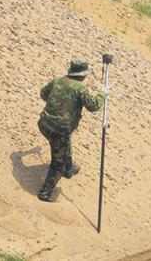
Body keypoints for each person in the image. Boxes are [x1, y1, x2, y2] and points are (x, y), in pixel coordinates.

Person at [36, 58, 104, 202]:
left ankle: (69, 168)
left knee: (64, 143)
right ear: (82, 74)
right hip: (59, 131)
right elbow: (93, 106)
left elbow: (43, 94)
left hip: (44, 124)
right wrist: (103, 94)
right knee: (57, 163)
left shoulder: (57, 81)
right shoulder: (80, 88)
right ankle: (45, 192)